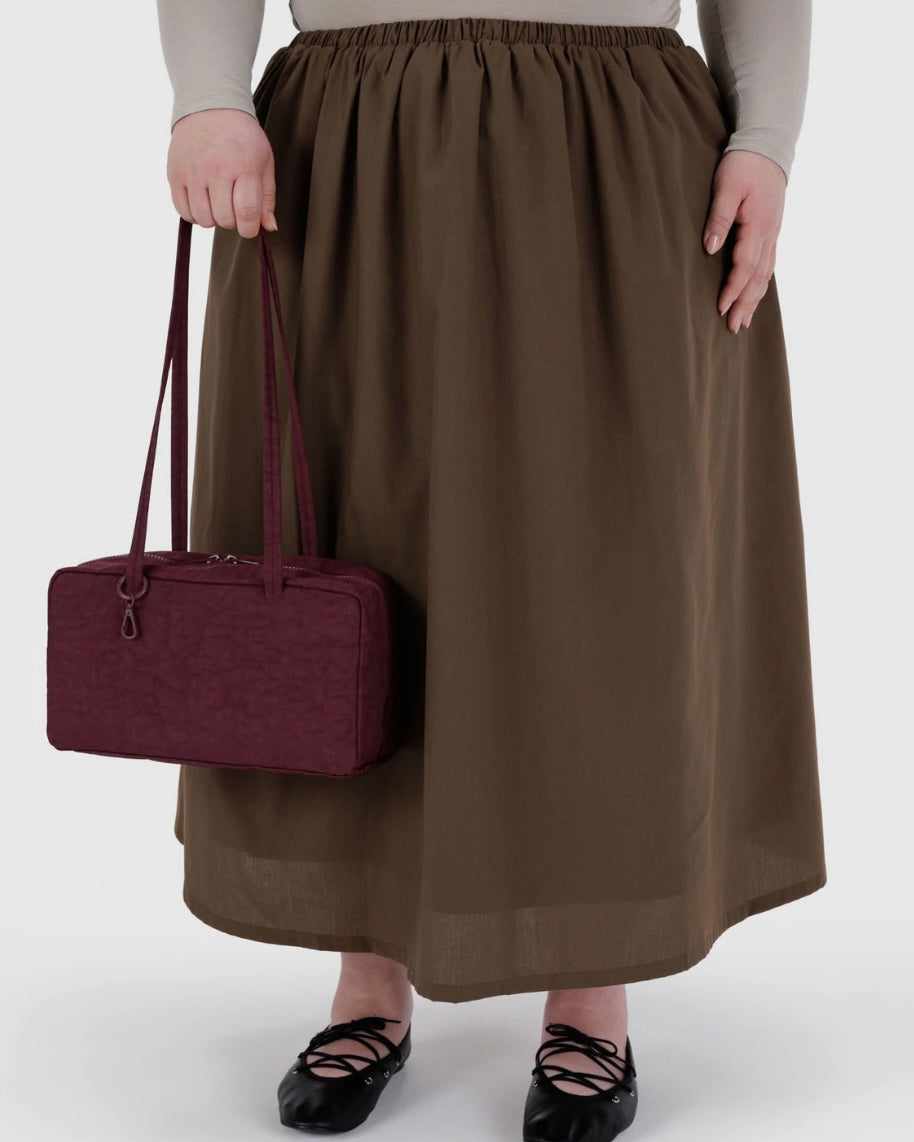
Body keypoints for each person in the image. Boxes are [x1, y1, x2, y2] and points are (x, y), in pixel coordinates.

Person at [155, 1, 827, 1137]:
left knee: (610, 571)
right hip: (348, 142)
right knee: (345, 562)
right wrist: (208, 95)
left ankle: (592, 986)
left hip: (611, 144)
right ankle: (366, 974)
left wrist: (762, 138)